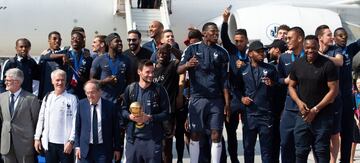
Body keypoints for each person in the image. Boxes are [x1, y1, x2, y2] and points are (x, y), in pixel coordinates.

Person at [177, 22, 230, 163]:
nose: (216, 34)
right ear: (204, 33)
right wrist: (188, 65)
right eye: (213, 31)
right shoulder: (191, 49)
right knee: (195, 134)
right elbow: (178, 70)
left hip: (216, 100)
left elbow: (225, 80)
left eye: (217, 32)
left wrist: (227, 103)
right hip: (197, 99)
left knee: (216, 134)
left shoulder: (222, 52)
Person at [289, 35, 338, 162]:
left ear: (318, 47)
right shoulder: (297, 64)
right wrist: (299, 103)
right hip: (303, 115)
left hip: (323, 115)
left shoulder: (328, 65)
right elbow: (291, 86)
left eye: (313, 48)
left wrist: (315, 110)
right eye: (307, 48)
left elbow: (333, 90)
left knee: (321, 152)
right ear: (304, 47)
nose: (310, 51)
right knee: (300, 152)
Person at [121, 59, 170, 163]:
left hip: (153, 140)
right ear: (139, 72)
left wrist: (149, 117)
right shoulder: (131, 89)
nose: (151, 75)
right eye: (147, 72)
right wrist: (129, 116)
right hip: (133, 140)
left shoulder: (159, 90)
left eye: (153, 72)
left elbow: (166, 114)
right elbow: (123, 109)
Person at [240, 41, 278, 163]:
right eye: (259, 51)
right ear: (250, 54)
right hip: (249, 115)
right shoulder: (243, 69)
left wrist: (272, 85)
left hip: (266, 115)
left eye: (263, 51)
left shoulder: (271, 69)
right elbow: (234, 89)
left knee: (266, 150)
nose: (262, 54)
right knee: (248, 148)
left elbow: (279, 89)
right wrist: (242, 98)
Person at [221, 8, 248, 163]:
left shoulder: (251, 54)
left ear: (246, 40)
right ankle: (234, 158)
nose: (238, 43)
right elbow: (224, 37)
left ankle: (247, 157)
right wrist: (225, 21)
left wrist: (244, 65)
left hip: (248, 98)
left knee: (248, 132)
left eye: (241, 41)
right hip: (233, 98)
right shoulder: (231, 51)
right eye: (236, 40)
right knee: (231, 132)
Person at [34, 69, 78, 163]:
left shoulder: (72, 99)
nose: (60, 82)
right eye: (57, 80)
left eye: (62, 80)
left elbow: (76, 122)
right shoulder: (47, 97)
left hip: (66, 145)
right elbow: (41, 118)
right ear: (52, 81)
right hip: (49, 144)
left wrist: (71, 141)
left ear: (66, 81)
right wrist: (37, 138)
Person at [75, 80, 121, 163]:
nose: (90, 95)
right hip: (85, 150)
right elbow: (77, 127)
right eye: (87, 93)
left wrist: (117, 148)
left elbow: (116, 129)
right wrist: (77, 146)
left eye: (92, 92)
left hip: (104, 150)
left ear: (100, 92)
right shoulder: (81, 104)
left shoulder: (110, 106)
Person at [315, 24, 343, 163]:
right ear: (320, 38)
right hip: (317, 100)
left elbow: (339, 61)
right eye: (328, 34)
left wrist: (322, 57)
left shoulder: (335, 49)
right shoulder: (311, 51)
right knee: (318, 134)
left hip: (334, 99)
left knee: (335, 133)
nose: (332, 37)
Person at [0, 68, 40, 163]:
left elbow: (36, 122)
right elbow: (2, 119)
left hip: (25, 146)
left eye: (8, 80)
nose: (5, 82)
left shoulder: (31, 99)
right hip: (6, 145)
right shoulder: (1, 97)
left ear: (17, 82)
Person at [278, 26, 305, 163]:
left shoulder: (310, 56)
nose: (286, 41)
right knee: (285, 143)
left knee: (302, 147)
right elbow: (277, 79)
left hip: (305, 108)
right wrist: (285, 80)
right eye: (286, 38)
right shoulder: (284, 58)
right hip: (289, 108)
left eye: (289, 38)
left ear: (300, 38)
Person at [333, 27, 360, 163]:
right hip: (334, 99)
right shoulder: (331, 51)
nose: (343, 38)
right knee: (332, 134)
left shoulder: (349, 50)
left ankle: (345, 160)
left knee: (348, 133)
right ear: (334, 37)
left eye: (345, 35)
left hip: (347, 99)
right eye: (340, 35)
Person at [152, 44, 181, 163]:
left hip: (168, 112)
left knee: (166, 146)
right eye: (159, 53)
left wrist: (171, 48)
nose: (161, 55)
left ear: (169, 55)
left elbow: (182, 57)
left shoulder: (173, 65)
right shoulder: (152, 69)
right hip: (153, 111)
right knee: (155, 145)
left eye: (164, 53)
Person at [90, 33, 132, 104]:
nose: (120, 43)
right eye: (117, 41)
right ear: (109, 44)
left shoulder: (126, 60)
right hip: (104, 101)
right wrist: (105, 81)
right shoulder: (99, 60)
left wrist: (125, 94)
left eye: (120, 41)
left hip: (121, 101)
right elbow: (92, 81)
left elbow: (130, 80)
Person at [38, 31, 68, 100]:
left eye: (59, 39)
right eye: (54, 39)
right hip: (46, 94)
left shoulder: (66, 54)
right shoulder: (44, 55)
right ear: (49, 41)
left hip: (61, 94)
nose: (57, 41)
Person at [351, 77, 360, 163]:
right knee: (354, 141)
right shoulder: (354, 95)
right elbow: (353, 110)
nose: (359, 85)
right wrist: (357, 120)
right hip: (356, 120)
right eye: (357, 83)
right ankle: (351, 159)